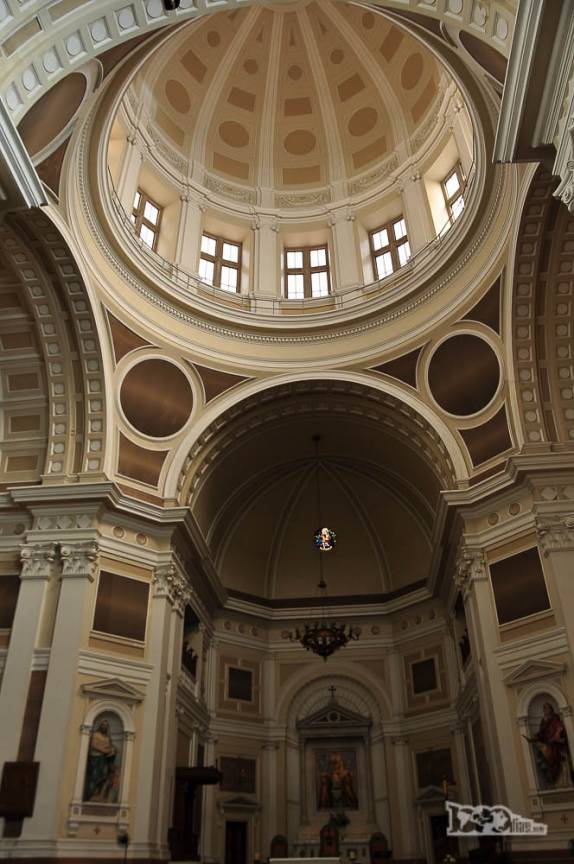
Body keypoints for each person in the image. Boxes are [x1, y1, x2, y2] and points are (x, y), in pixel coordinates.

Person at [525, 702, 572, 787]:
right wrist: (534, 738)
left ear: (551, 709)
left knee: (556, 758)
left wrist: (557, 734)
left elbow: (559, 728)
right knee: (543, 760)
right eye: (544, 708)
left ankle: (562, 782)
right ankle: (553, 782)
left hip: (556, 745)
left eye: (547, 708)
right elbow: (541, 733)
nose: (545, 710)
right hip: (548, 743)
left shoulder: (555, 718)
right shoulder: (543, 721)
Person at [84, 718, 118, 802]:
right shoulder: (95, 735)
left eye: (106, 725)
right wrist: (105, 750)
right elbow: (93, 745)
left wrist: (113, 750)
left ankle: (99, 795)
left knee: (104, 776)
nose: (104, 727)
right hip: (95, 759)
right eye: (103, 725)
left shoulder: (107, 738)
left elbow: (110, 747)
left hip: (104, 760)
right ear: (100, 726)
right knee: (94, 777)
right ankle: (90, 794)